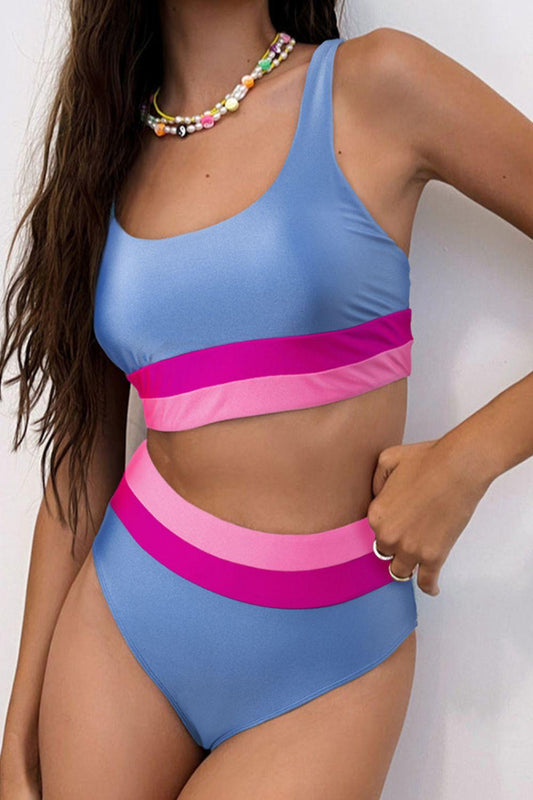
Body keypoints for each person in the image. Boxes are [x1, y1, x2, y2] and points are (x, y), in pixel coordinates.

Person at [0, 1, 532, 798]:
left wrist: (469, 460)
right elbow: (84, 456)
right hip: (125, 630)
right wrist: (18, 730)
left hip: (329, 662)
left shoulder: (379, 84)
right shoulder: (105, 153)